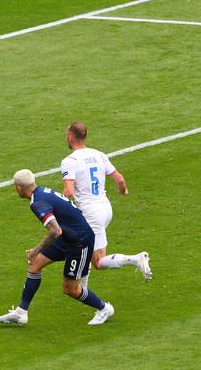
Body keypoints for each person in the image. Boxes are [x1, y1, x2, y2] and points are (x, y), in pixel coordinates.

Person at [0, 169, 114, 326]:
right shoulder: (43, 191)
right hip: (68, 236)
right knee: (35, 263)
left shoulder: (37, 202)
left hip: (79, 242)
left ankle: (104, 308)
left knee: (70, 289)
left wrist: (35, 250)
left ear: (18, 188)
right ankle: (21, 313)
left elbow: (55, 230)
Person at [61, 122, 151, 286]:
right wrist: (123, 191)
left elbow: (68, 192)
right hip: (105, 209)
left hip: (90, 214)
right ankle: (83, 286)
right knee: (84, 247)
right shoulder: (99, 154)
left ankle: (136, 259)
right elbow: (120, 179)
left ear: (70, 137)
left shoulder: (70, 160)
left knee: (99, 261)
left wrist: (60, 207)